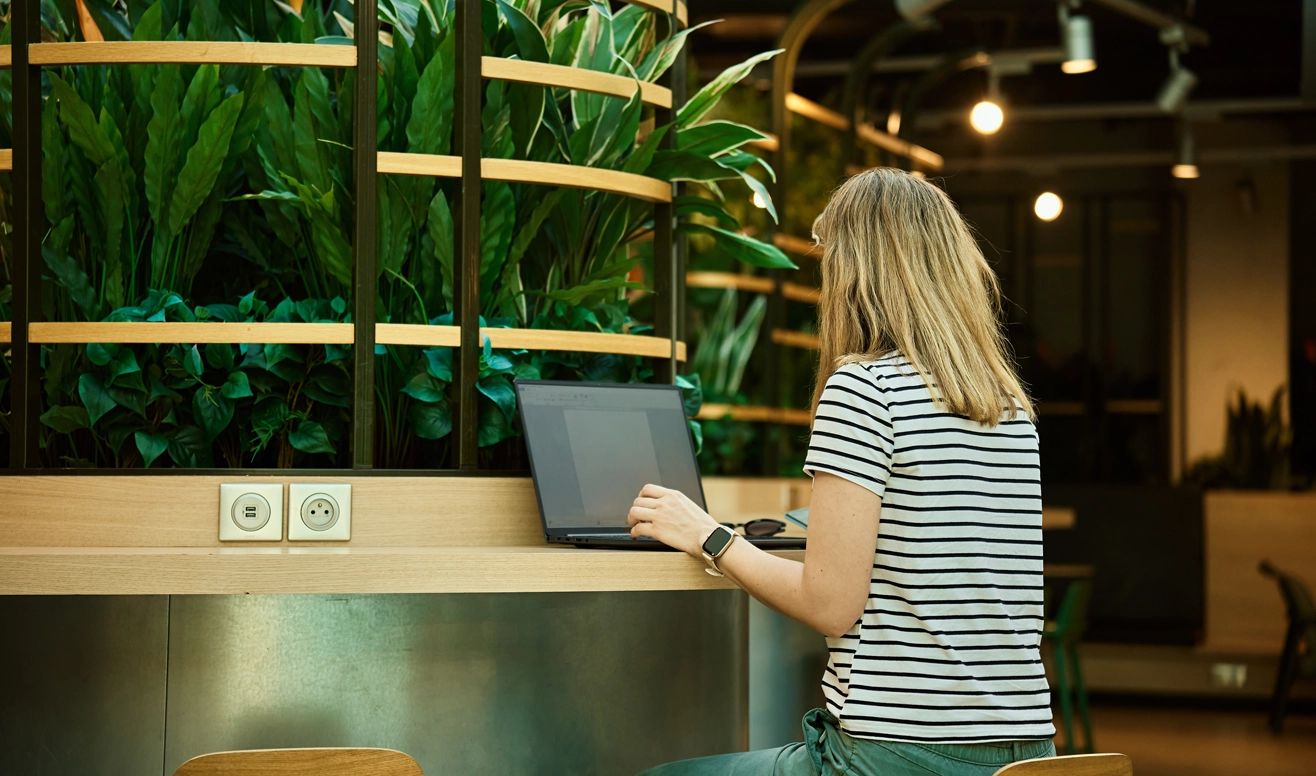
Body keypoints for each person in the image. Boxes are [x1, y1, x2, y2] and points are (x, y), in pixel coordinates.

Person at [630, 168, 1057, 775]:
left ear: (857, 273)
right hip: (1027, 757)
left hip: (899, 756)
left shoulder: (865, 387)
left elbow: (830, 603)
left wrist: (708, 534)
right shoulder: (1009, 406)